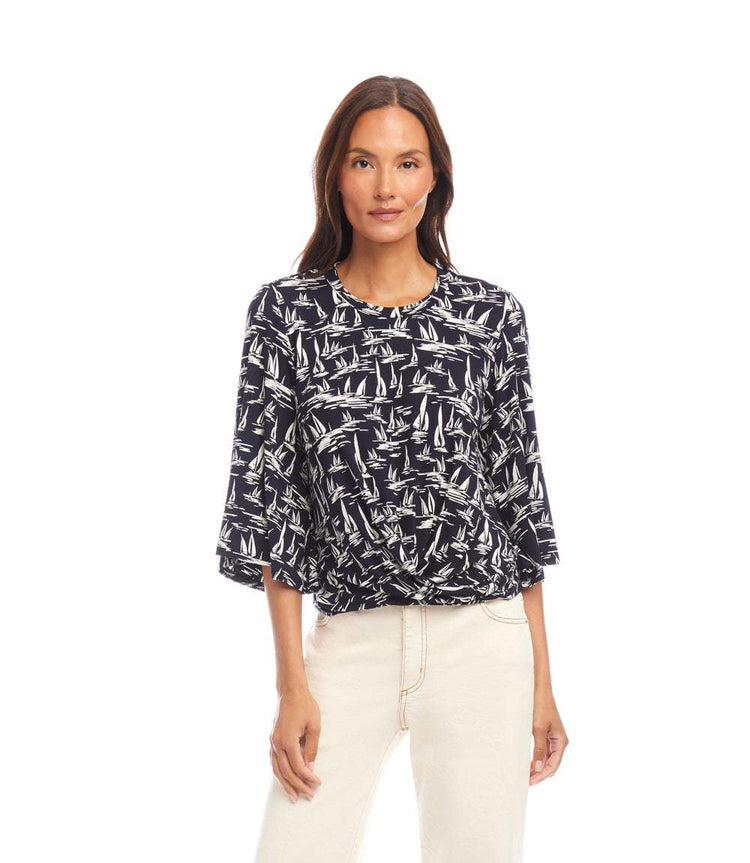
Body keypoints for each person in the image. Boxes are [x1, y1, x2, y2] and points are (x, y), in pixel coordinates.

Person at [215, 75, 569, 863]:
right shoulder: (287, 317)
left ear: (435, 176)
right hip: (351, 640)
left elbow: (519, 503)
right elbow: (273, 505)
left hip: (483, 638)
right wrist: (291, 683)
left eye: (407, 163)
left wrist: (542, 683)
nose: (386, 187)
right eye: (363, 162)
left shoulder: (489, 316)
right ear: (335, 176)